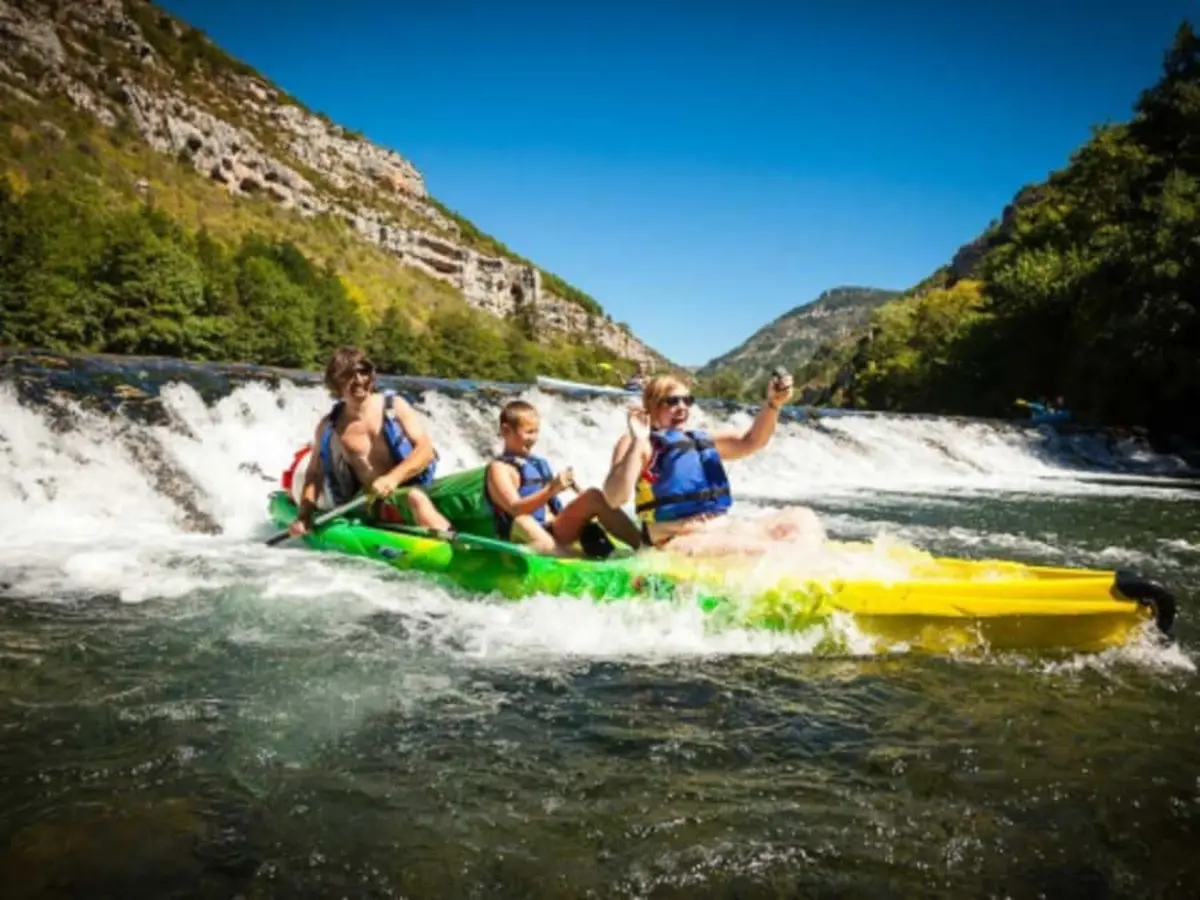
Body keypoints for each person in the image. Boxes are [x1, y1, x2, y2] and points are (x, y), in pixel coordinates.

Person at [602, 371, 826, 557]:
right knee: (761, 552)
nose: (682, 407)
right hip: (675, 541)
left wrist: (773, 404)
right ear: (651, 406)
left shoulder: (699, 439)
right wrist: (639, 440)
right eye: (672, 401)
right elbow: (614, 498)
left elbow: (751, 441)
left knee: (801, 519)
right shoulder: (637, 442)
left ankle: (812, 569)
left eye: (687, 400)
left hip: (721, 529)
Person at [287, 346, 450, 537]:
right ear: (336, 384)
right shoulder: (329, 427)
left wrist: (393, 478)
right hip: (372, 502)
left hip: (412, 487)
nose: (359, 380)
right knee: (415, 498)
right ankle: (456, 549)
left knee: (417, 495)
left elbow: (425, 450)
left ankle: (450, 534)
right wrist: (304, 515)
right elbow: (315, 475)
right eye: (349, 375)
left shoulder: (394, 407)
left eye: (364, 372)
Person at [485, 400, 644, 556]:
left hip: (552, 527)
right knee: (522, 521)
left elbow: (550, 502)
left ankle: (644, 546)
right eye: (529, 432)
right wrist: (552, 489)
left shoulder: (537, 463)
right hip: (521, 533)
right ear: (506, 431)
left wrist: (571, 489)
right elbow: (515, 509)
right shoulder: (499, 468)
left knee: (594, 496)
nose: (534, 438)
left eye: (536, 431)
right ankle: (567, 558)